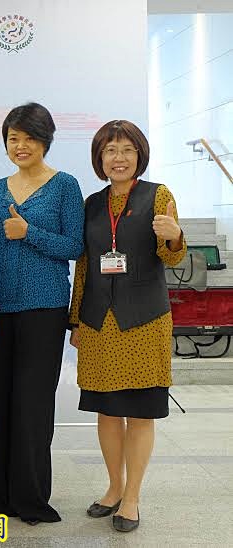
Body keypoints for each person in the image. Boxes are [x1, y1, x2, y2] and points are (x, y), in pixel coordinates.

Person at [69, 120, 186, 532]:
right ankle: (114, 487)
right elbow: (85, 265)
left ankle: (132, 497)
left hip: (144, 322)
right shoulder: (92, 204)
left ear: (140, 155)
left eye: (127, 150)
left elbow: (172, 257)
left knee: (139, 412)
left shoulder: (159, 195)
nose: (118, 158)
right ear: (99, 158)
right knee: (107, 411)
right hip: (99, 323)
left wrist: (175, 236)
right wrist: (76, 320)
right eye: (110, 150)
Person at [0, 102, 84, 524]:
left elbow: (74, 246)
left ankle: (32, 498)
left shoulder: (64, 185)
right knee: (2, 401)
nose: (20, 146)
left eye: (29, 138)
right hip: (0, 308)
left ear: (45, 140)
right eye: (13, 138)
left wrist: (29, 232)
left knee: (34, 405)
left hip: (45, 308)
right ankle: (2, 495)